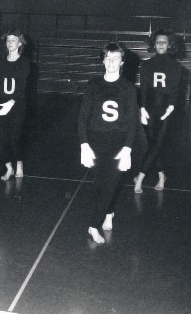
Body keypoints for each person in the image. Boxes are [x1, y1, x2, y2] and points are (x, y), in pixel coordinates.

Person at [78, 42, 138, 244]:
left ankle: (93, 226)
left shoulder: (129, 88)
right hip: (95, 140)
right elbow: (82, 117)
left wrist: (128, 149)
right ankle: (109, 211)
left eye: (116, 58)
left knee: (110, 185)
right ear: (103, 60)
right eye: (108, 58)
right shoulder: (93, 85)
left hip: (118, 142)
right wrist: (84, 145)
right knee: (99, 185)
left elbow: (132, 122)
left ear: (122, 62)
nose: (112, 62)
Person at [133, 29, 181, 193]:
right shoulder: (146, 65)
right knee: (154, 145)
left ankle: (139, 178)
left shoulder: (175, 66)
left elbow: (175, 89)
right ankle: (162, 176)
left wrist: (171, 108)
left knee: (157, 144)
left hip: (166, 109)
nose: (161, 44)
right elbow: (143, 88)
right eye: (158, 41)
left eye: (164, 41)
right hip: (149, 109)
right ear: (154, 44)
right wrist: (142, 109)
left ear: (169, 45)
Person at [0, 29, 31, 180]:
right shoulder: (1, 61)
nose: (10, 43)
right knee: (0, 138)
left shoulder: (24, 62)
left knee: (15, 137)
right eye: (8, 40)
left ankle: (19, 164)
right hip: (1, 104)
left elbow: (22, 85)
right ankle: (9, 168)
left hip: (17, 105)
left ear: (20, 43)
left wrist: (11, 102)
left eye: (13, 40)